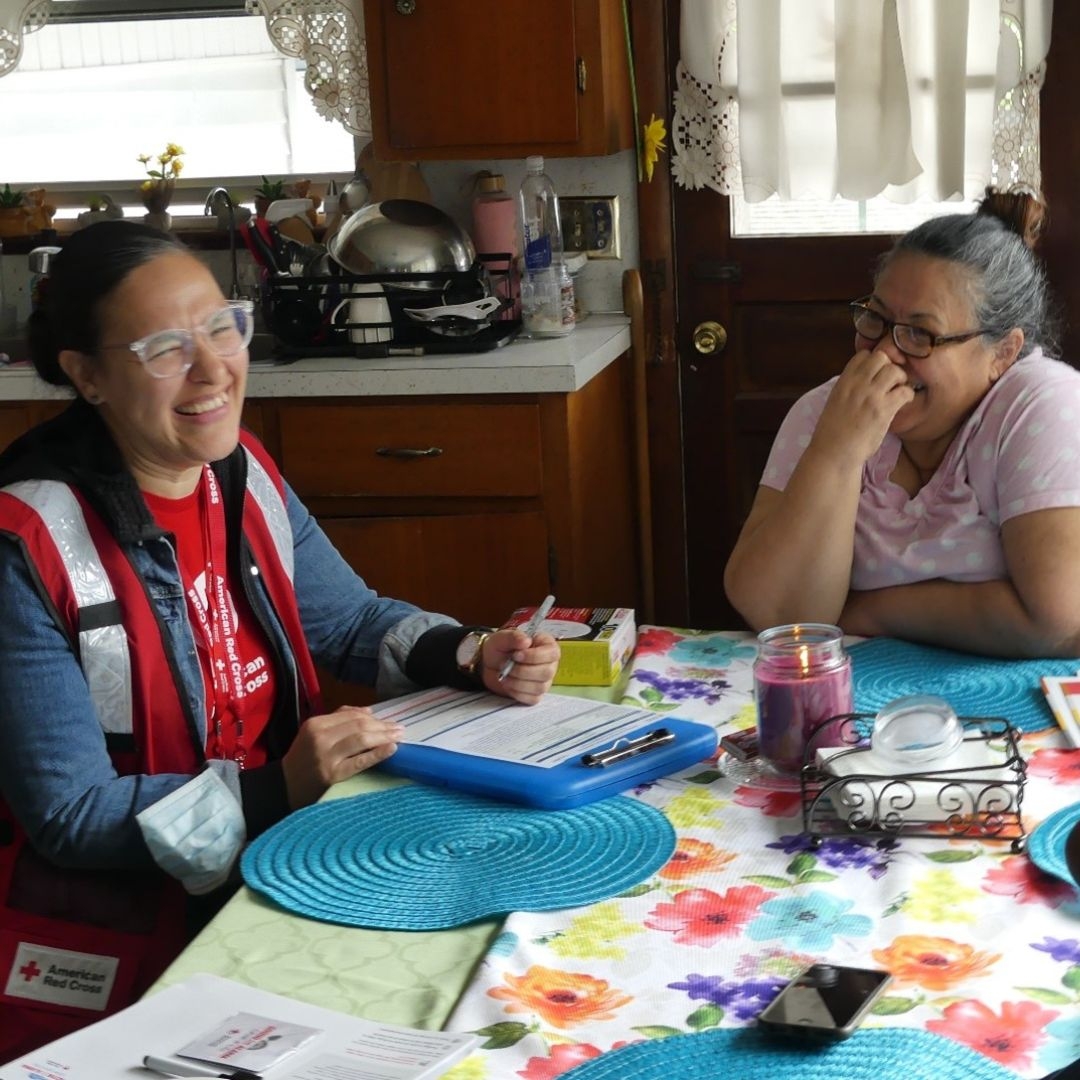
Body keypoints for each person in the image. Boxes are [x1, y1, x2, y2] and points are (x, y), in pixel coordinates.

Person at [0, 221, 560, 1060]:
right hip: (132, 935)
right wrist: (274, 791)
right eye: (163, 347)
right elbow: (70, 816)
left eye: (222, 327)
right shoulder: (26, 540)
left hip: (288, 859)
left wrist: (469, 651)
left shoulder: (240, 470)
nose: (212, 369)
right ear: (86, 375)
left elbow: (347, 622)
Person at [723, 188, 1080, 658]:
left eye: (920, 333)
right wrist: (837, 451)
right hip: (852, 696)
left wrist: (873, 612)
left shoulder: (1039, 404)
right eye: (876, 318)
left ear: (1003, 353)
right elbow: (774, 613)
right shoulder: (829, 411)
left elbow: (1057, 618)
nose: (886, 353)